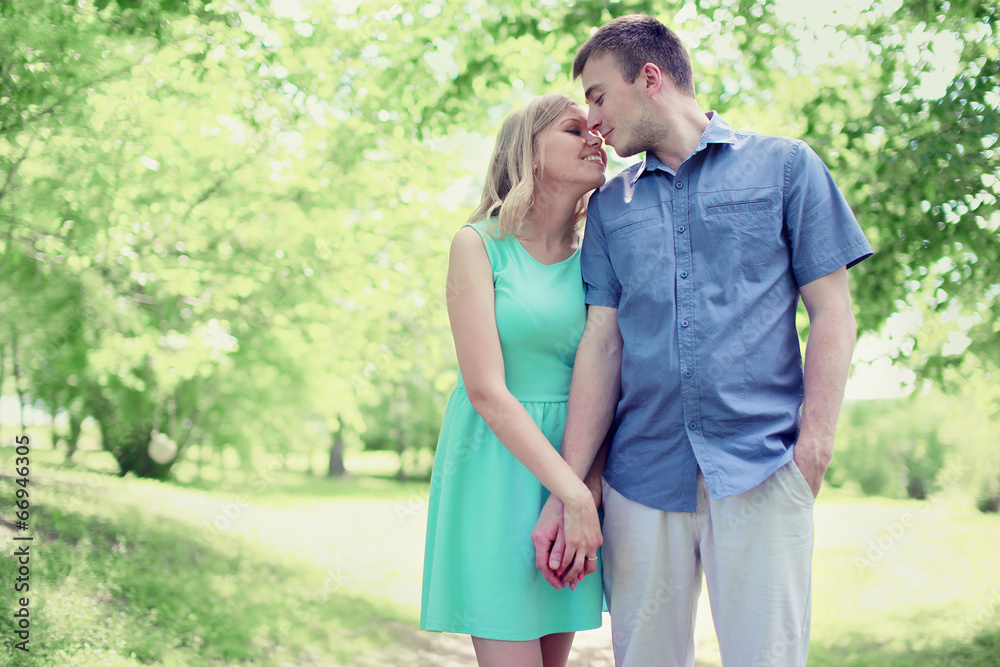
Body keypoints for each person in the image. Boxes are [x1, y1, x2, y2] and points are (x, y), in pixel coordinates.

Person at [531, 15, 874, 667]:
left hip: (764, 466)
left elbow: (831, 310)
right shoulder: (609, 208)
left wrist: (815, 447)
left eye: (599, 96)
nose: (593, 120)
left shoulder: (786, 168)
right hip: (642, 478)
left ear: (650, 78)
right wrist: (571, 487)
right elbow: (602, 346)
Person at [420, 93, 609, 667]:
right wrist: (573, 495)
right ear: (527, 153)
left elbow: (612, 381)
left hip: (577, 466)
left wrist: (583, 492)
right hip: (497, 470)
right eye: (574, 129)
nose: (595, 138)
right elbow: (486, 391)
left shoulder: (600, 254)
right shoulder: (478, 244)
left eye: (595, 128)